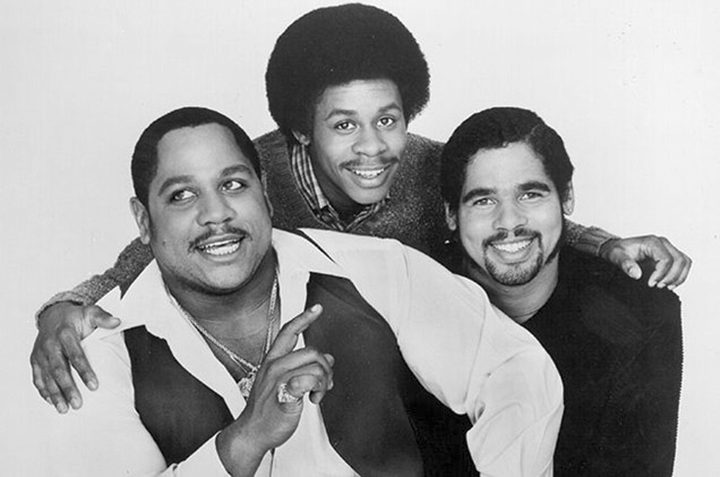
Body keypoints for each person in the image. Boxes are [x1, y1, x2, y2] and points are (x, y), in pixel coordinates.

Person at [31, 2, 690, 414]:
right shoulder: (251, 181)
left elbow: (506, 212)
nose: (374, 147)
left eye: (389, 119)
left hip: (428, 380)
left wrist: (607, 244)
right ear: (300, 128)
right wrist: (64, 306)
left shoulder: (431, 166)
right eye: (344, 125)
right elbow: (155, 246)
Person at [46, 106, 563, 476]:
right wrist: (245, 439)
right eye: (182, 195)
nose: (216, 213)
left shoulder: (376, 270)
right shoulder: (96, 354)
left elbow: (513, 370)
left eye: (233, 184)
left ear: (265, 194)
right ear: (143, 220)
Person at [440, 107, 683, 476]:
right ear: (451, 215)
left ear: (566, 197)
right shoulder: (416, 305)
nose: (509, 222)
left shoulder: (639, 314)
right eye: (483, 200)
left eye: (530, 195)